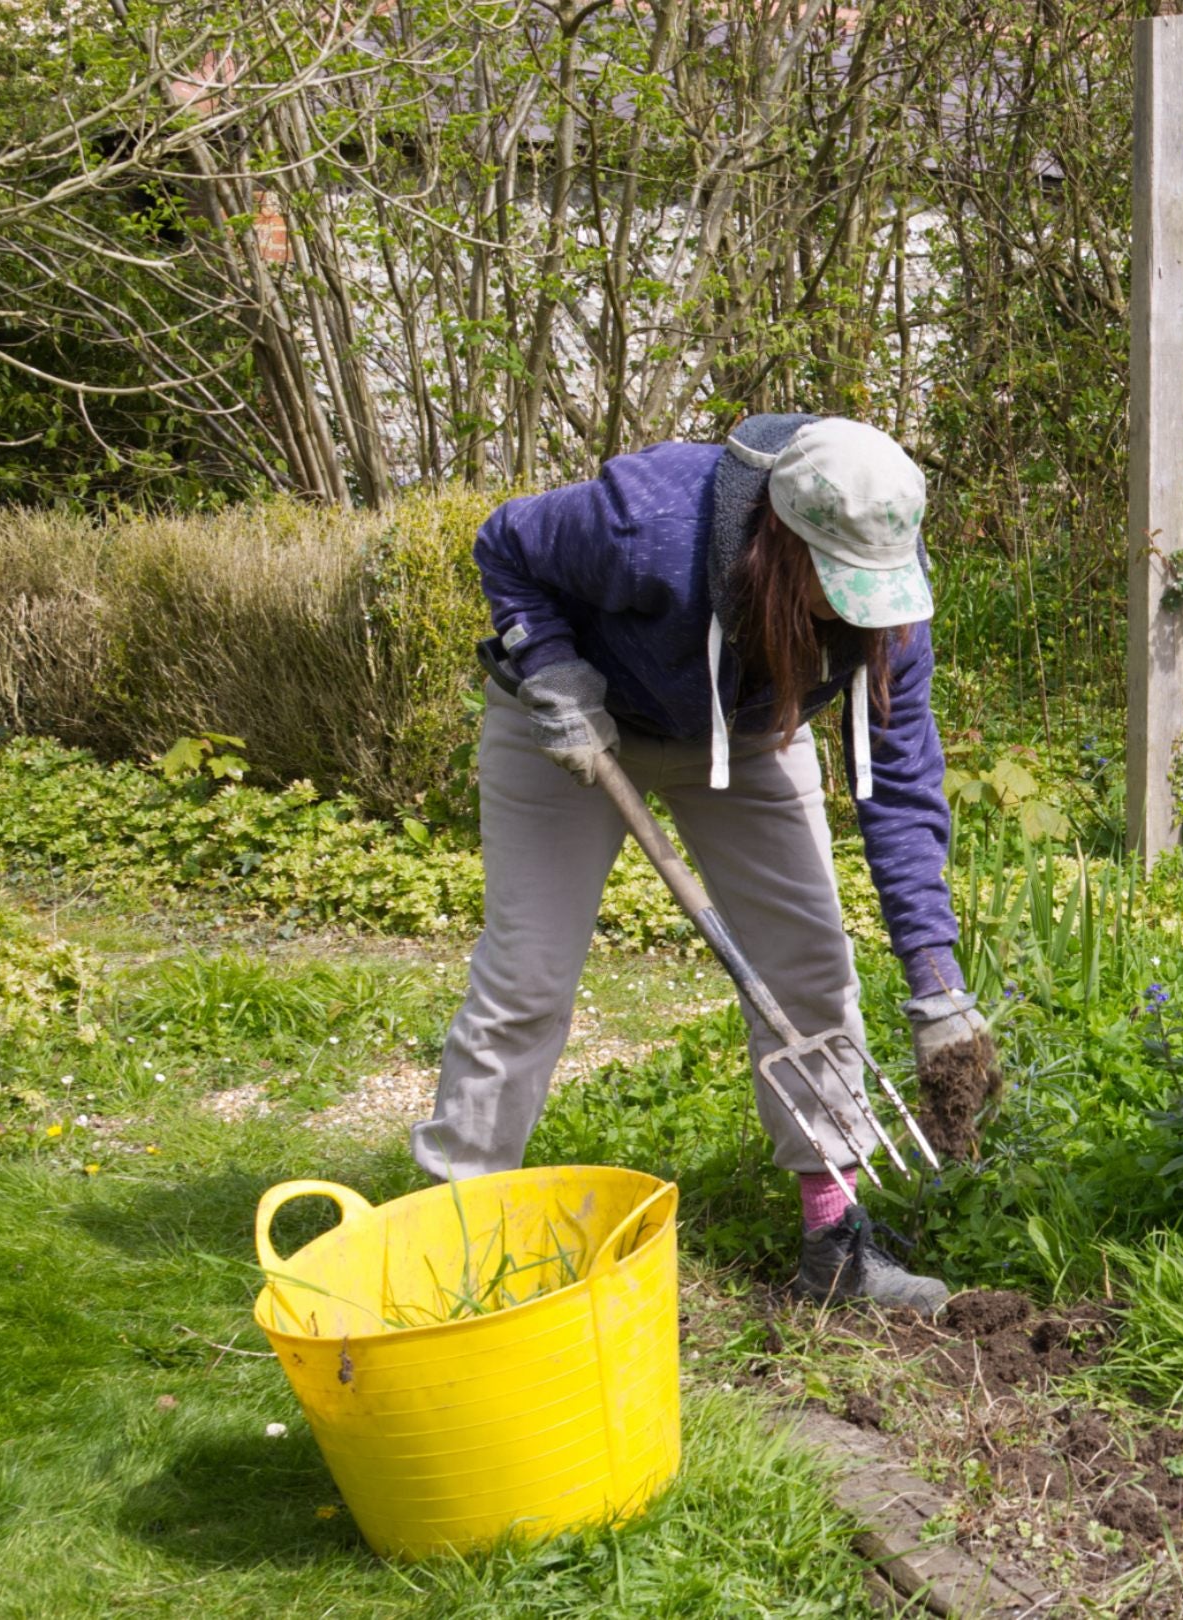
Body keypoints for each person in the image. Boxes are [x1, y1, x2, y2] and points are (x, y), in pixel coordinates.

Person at [414, 413, 999, 1317]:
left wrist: (935, 980)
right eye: (833, 586)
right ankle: (446, 1244)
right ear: (779, 540)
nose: (853, 610)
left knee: (809, 972)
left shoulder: (892, 604)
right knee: (528, 979)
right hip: (574, 730)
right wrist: (551, 665)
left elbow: (902, 789)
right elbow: (506, 542)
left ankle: (834, 1247)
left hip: (751, 734)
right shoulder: (647, 523)